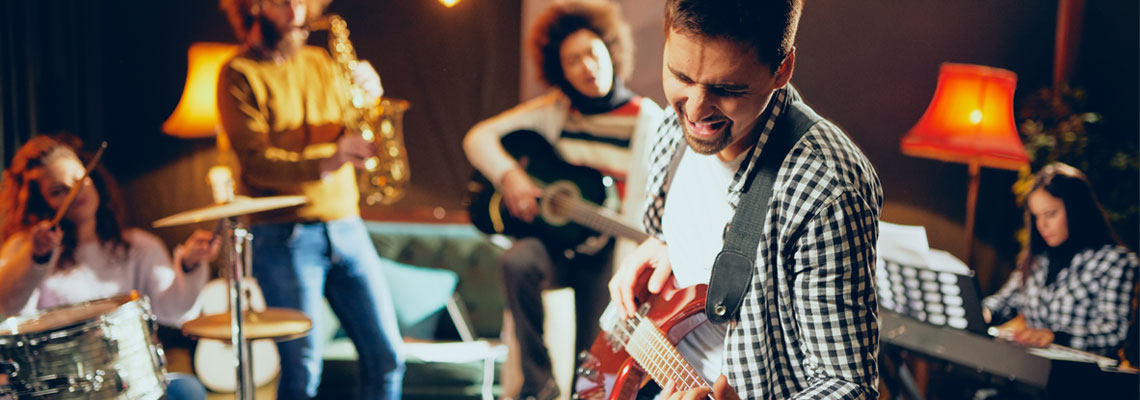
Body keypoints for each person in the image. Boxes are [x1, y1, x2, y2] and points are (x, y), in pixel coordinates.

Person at [607, 0, 883, 398]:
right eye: (680, 75)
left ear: (782, 70)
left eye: (727, 89)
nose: (697, 110)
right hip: (656, 373)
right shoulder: (673, 125)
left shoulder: (827, 190)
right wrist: (662, 242)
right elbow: (685, 228)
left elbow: (847, 386)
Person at [462, 1, 662, 398]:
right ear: (560, 72)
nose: (587, 67)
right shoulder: (553, 112)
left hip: (607, 257)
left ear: (611, 50)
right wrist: (511, 176)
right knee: (517, 260)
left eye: (592, 53)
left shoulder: (650, 122)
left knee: (592, 367)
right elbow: (477, 138)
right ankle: (539, 386)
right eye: (573, 61)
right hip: (555, 249)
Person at [216, 0, 405, 398]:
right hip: (284, 237)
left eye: (301, 1)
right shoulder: (238, 73)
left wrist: (370, 96)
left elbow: (351, 125)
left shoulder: (321, 61)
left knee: (387, 355)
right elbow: (256, 162)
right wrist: (331, 157)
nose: (296, 9)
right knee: (302, 373)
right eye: (282, 2)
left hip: (346, 224)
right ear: (253, 7)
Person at [0, 134, 216, 400]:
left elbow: (173, 312)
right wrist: (38, 257)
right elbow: (8, 309)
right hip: (61, 391)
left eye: (79, 179)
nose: (75, 192)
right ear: (40, 203)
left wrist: (190, 263)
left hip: (130, 385)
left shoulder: (137, 245)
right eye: (58, 191)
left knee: (187, 390)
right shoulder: (25, 249)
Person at [983, 163, 1139, 356]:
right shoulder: (1037, 260)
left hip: (1081, 377)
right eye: (1036, 217)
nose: (1042, 225)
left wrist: (1058, 337)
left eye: (1051, 214)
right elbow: (1004, 301)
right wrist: (984, 312)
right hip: (1031, 370)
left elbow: (1114, 333)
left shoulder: (1116, 262)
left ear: (1076, 209)